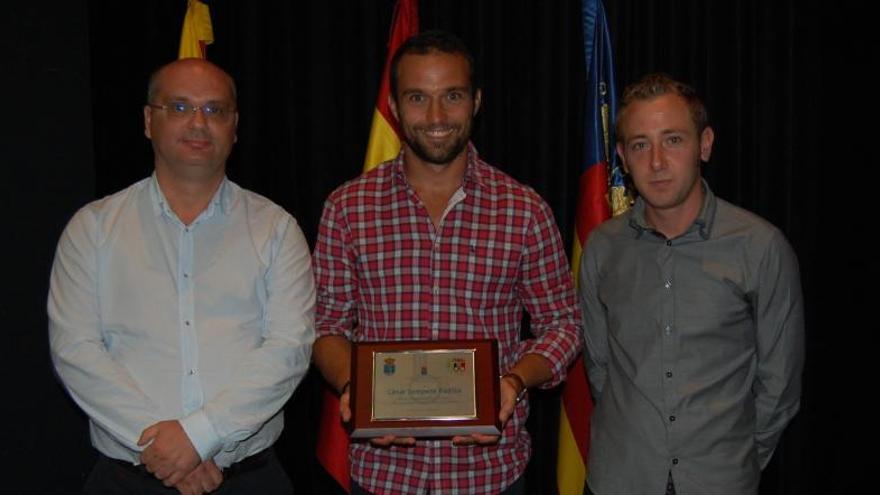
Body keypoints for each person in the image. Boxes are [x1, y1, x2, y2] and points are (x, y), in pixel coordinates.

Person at [312, 30, 581, 495]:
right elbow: (325, 327)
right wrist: (358, 388)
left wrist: (513, 382)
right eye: (418, 97)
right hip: (384, 475)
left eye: (451, 96)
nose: (436, 117)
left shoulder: (524, 209)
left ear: (476, 101)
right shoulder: (346, 207)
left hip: (490, 474)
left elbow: (563, 324)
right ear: (394, 106)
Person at [48, 58, 315, 495]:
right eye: (179, 107)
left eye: (215, 110)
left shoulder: (276, 229)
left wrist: (199, 436)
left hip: (249, 480)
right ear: (148, 121)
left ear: (234, 126)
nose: (198, 123)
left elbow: (289, 349)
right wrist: (162, 445)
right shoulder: (93, 228)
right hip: (126, 480)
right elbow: (76, 349)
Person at [579, 73, 804, 495]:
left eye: (673, 140)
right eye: (641, 145)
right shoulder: (602, 247)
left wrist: (733, 459)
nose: (657, 162)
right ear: (623, 158)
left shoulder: (760, 247)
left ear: (705, 144)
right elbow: (599, 366)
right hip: (620, 478)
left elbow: (780, 385)